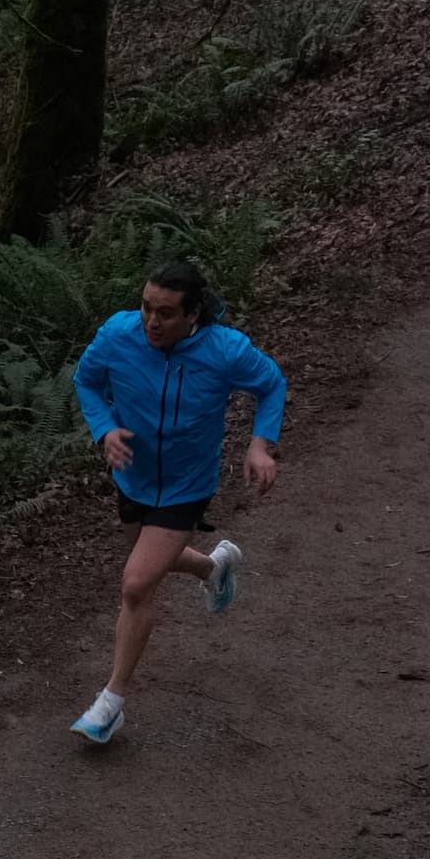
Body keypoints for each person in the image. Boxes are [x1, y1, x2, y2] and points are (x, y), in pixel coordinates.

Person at [64, 256, 285, 746]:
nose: (151, 321)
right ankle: (214, 568)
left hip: (187, 485)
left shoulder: (225, 351)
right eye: (146, 307)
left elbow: (271, 384)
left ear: (193, 316)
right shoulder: (118, 335)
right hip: (133, 478)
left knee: (137, 584)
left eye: (164, 313)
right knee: (147, 559)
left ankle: (111, 704)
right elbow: (87, 381)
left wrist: (259, 444)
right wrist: (104, 430)